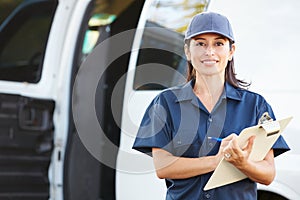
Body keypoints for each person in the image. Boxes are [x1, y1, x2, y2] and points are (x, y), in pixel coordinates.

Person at [132, 12, 290, 200]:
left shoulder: (256, 106)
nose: (209, 52)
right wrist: (216, 161)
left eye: (218, 43)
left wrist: (243, 163)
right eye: (200, 43)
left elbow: (268, 174)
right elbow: (163, 166)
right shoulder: (165, 104)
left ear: (231, 51)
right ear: (188, 52)